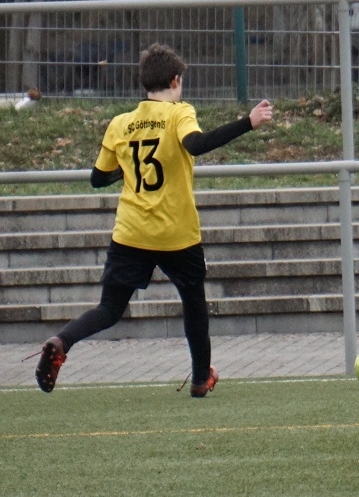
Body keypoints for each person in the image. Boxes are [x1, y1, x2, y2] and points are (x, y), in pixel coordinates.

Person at [33, 43, 274, 398]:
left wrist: (127, 170)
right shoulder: (179, 113)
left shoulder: (121, 123)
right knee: (194, 304)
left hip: (131, 231)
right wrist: (247, 123)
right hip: (176, 232)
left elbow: (98, 178)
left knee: (109, 309)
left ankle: (61, 341)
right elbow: (196, 144)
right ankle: (200, 378)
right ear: (175, 81)